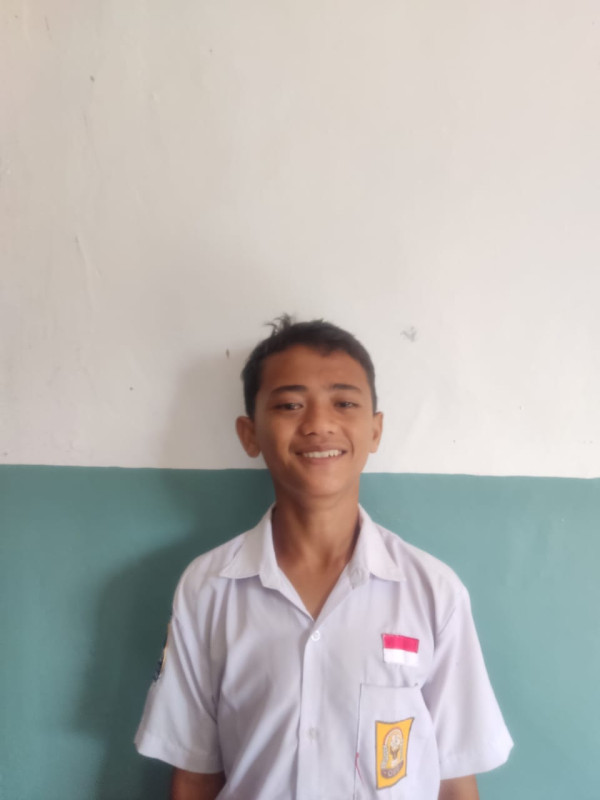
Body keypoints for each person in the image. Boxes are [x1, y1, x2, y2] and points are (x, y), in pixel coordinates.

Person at [135, 315, 513, 800]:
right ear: (250, 434)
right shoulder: (208, 587)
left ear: (375, 430)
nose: (318, 424)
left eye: (344, 403)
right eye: (290, 405)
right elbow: (194, 775)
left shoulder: (433, 591)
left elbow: (455, 780)